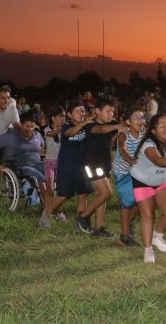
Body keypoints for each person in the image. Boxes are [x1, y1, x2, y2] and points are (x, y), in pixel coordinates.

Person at [75, 95, 127, 237]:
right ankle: (84, 215)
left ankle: (98, 228)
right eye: (108, 111)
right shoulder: (89, 125)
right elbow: (100, 130)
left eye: (113, 111)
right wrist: (117, 126)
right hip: (90, 165)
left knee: (102, 195)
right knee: (106, 192)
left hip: (104, 164)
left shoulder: (113, 124)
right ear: (97, 111)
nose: (111, 114)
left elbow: (123, 129)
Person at [131, 113, 166, 263]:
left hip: (160, 181)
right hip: (142, 181)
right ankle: (147, 250)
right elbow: (158, 160)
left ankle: (157, 236)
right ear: (153, 130)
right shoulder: (148, 145)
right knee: (148, 216)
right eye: (162, 125)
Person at [40, 100, 93, 229]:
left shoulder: (86, 127)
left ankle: (81, 224)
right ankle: (46, 216)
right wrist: (84, 123)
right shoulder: (65, 127)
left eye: (83, 110)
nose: (82, 113)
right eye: (78, 110)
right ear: (69, 114)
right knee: (63, 195)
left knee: (83, 194)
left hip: (82, 167)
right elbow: (69, 134)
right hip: (67, 167)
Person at [0, 111, 51, 217]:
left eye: (32, 126)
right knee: (38, 175)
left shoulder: (37, 135)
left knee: (52, 170)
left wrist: (38, 156)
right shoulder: (10, 136)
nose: (30, 129)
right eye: (27, 126)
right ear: (20, 124)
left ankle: (54, 203)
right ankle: (48, 208)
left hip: (37, 163)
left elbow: (42, 145)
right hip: (19, 166)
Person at [112, 108, 145, 246]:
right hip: (123, 173)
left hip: (137, 172)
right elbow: (123, 147)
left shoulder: (144, 134)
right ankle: (124, 236)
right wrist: (131, 160)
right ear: (128, 122)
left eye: (142, 117)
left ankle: (128, 225)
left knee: (140, 201)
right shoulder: (123, 133)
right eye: (136, 117)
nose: (140, 120)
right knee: (127, 203)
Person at [42, 107, 66, 224]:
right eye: (61, 116)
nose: (63, 119)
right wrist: (60, 128)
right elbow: (52, 134)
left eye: (64, 116)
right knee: (50, 189)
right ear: (53, 118)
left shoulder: (65, 130)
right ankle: (47, 212)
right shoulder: (47, 129)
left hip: (61, 162)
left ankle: (60, 212)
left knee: (61, 189)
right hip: (49, 163)